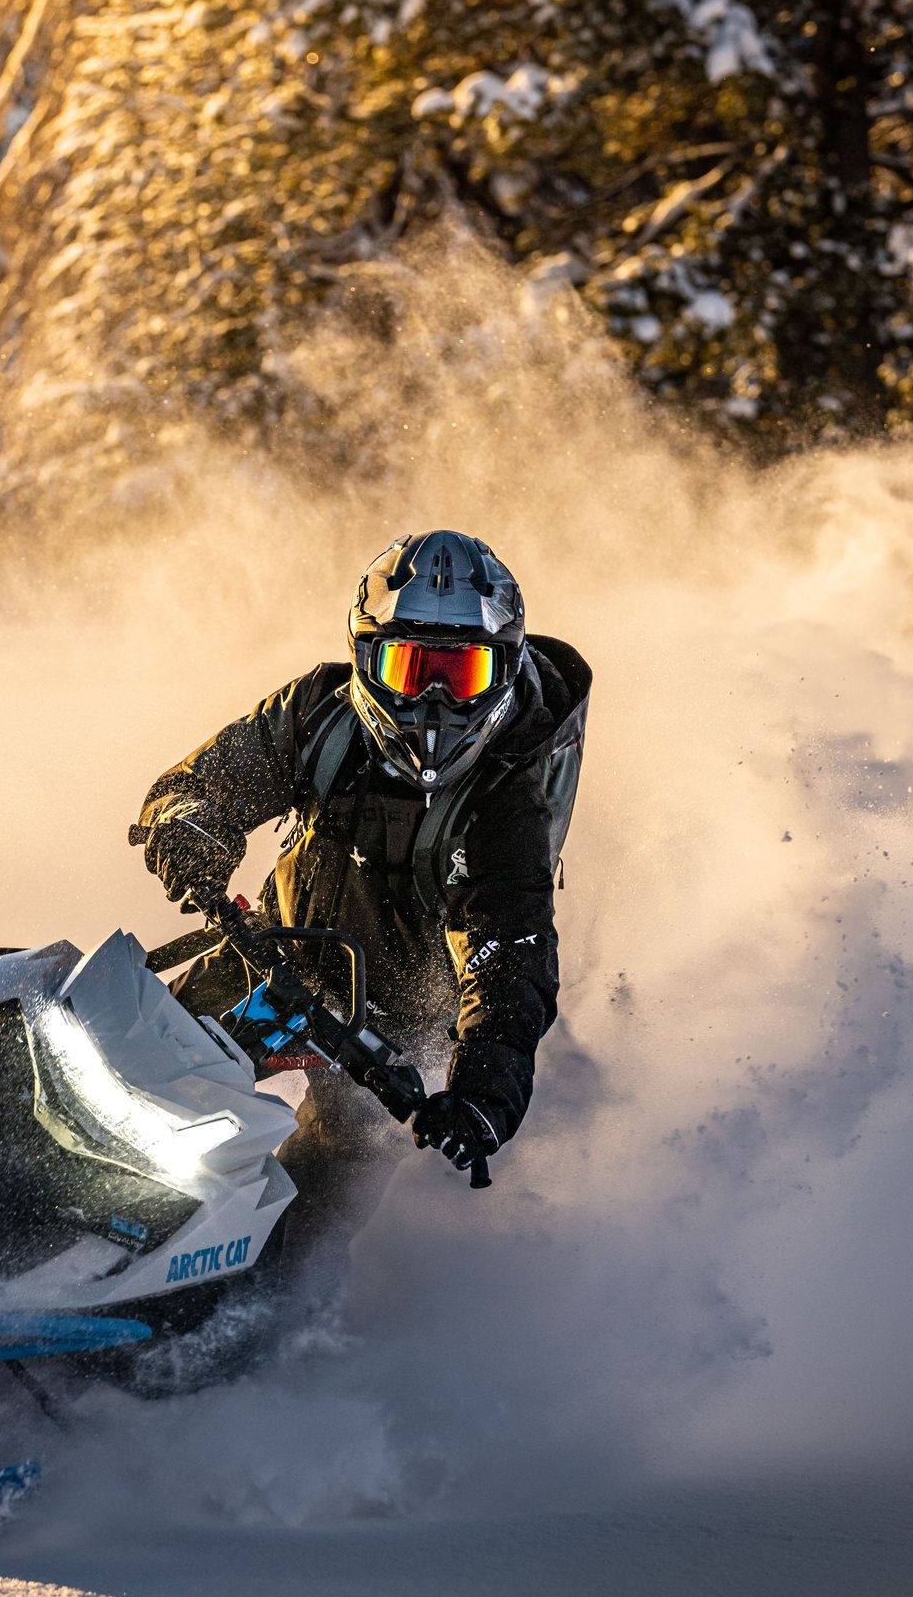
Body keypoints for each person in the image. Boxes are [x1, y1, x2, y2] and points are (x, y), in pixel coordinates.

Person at [133, 530, 590, 1267]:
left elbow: (513, 962)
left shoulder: (510, 805)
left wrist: (480, 1094)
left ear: (502, 672)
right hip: (272, 957)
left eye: (461, 672)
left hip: (386, 1039)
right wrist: (190, 828)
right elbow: (202, 782)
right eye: (410, 668)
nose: (434, 702)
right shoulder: (320, 711)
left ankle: (257, 1336)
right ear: (364, 657)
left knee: (308, 1217)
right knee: (137, 1070)